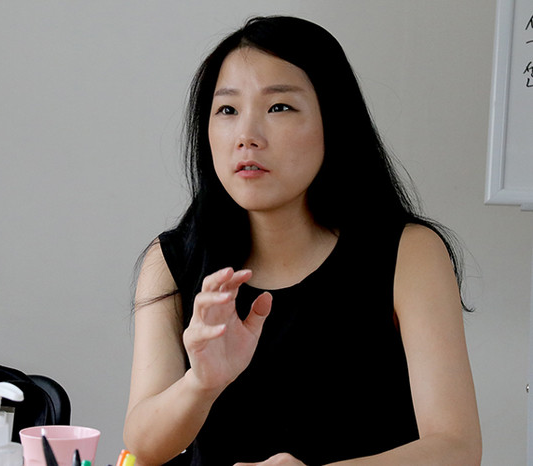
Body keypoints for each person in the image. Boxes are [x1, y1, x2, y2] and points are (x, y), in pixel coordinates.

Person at [123, 16, 481, 466]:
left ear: (334, 121)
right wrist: (201, 383)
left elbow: (457, 447)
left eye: (279, 107)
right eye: (227, 110)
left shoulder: (408, 252)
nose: (247, 136)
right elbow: (144, 446)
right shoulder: (173, 260)